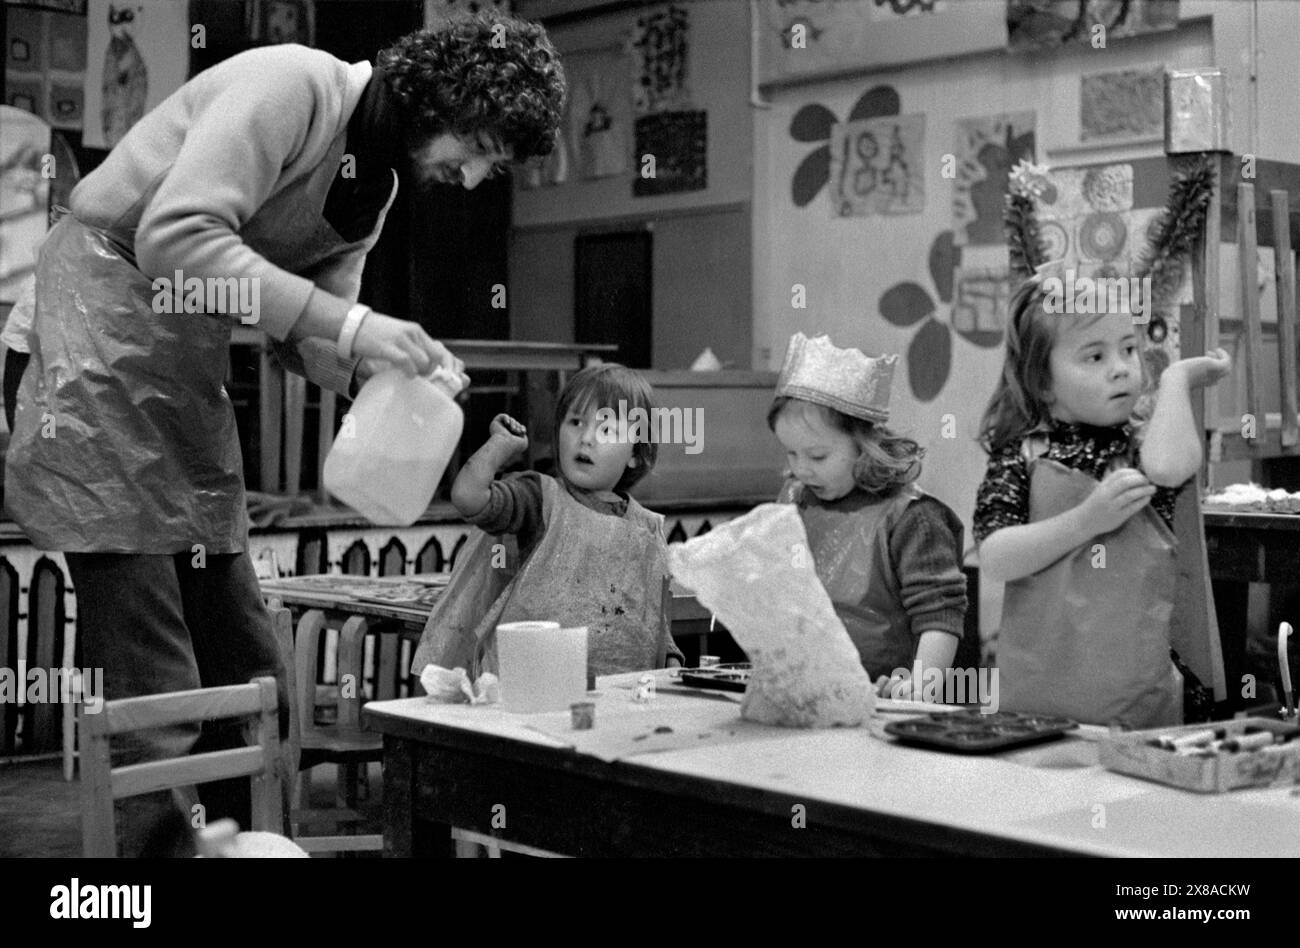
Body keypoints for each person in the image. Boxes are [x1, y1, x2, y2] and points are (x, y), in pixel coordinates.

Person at [4, 11, 565, 855]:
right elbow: (176, 236)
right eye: (481, 144)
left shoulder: (372, 189)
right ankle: (145, 881)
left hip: (181, 365)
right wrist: (352, 326)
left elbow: (298, 338)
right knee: (157, 680)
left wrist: (385, 366)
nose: (478, 177)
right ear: (444, 97)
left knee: (249, 666)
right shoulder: (295, 84)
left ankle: (246, 844)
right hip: (97, 335)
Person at [974, 275, 1230, 728]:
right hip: (1036, 704)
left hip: (1135, 704)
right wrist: (1086, 520)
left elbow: (1172, 467)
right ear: (1043, 382)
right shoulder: (1023, 452)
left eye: (1128, 349)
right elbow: (996, 556)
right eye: (1095, 356)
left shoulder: (1140, 446)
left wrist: (1175, 382)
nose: (1120, 368)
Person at [411, 363, 684, 681]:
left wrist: (671, 662)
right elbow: (468, 497)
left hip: (619, 702)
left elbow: (655, 623)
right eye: (575, 422)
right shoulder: (537, 497)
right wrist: (500, 446)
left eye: (607, 429)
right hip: (529, 691)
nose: (586, 439)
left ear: (636, 453)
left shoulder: (648, 529)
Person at [767, 333, 967, 696]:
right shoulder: (795, 502)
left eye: (817, 456)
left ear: (865, 446)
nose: (802, 470)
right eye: (790, 454)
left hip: (886, 699)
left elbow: (940, 612)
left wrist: (921, 687)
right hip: (808, 694)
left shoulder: (913, 517)